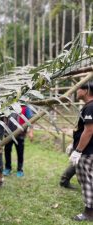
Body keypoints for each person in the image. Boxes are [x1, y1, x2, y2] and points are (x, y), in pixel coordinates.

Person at [69, 82, 93, 221]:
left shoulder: (90, 107)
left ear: (85, 90)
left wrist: (78, 150)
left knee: (86, 180)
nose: (76, 91)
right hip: (89, 149)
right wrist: (74, 143)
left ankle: (89, 213)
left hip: (87, 150)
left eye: (79, 88)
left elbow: (89, 130)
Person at [3, 105, 33, 177]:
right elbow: (4, 118)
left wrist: (31, 131)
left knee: (20, 152)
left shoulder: (25, 107)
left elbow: (31, 119)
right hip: (8, 134)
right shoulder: (9, 106)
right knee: (7, 151)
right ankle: (7, 168)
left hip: (20, 135)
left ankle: (20, 170)